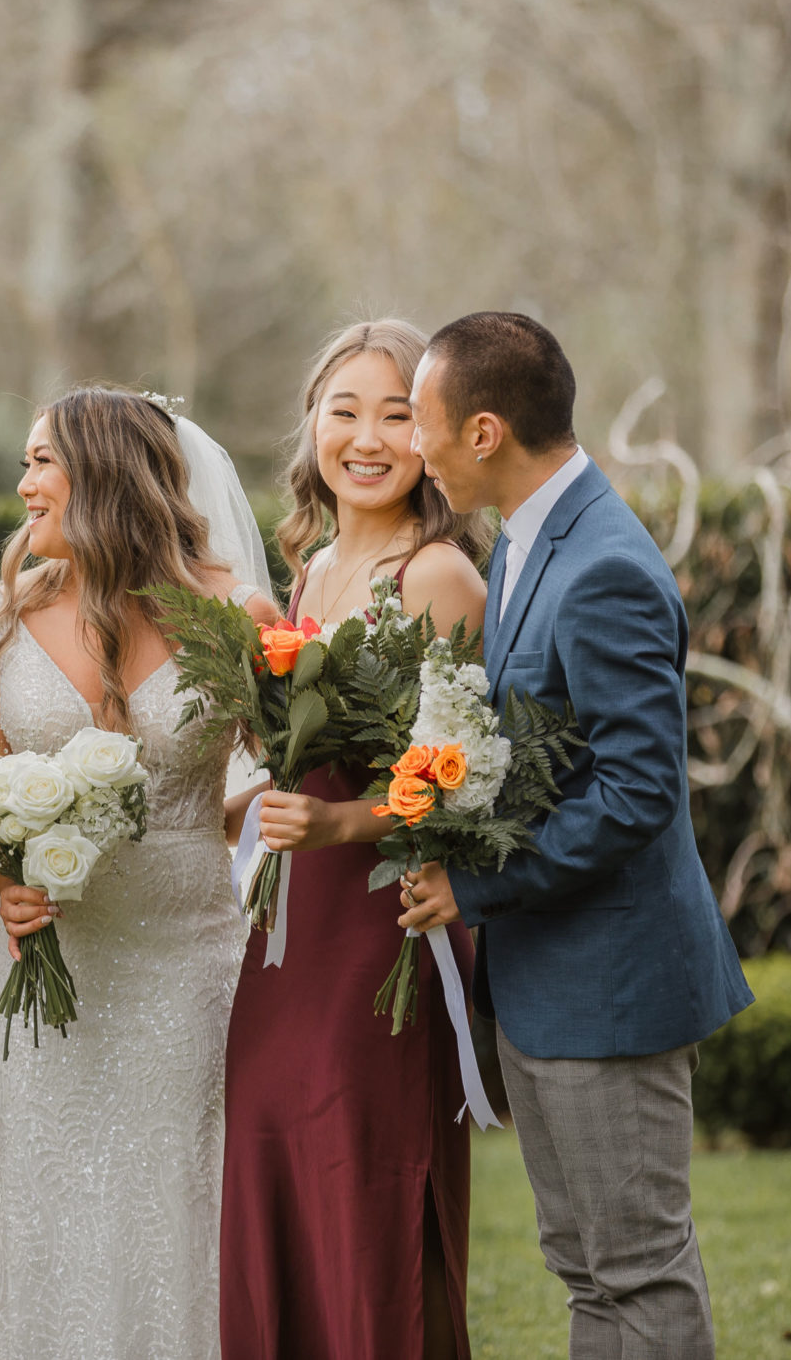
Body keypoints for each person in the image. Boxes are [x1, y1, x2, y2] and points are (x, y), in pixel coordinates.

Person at [397, 311, 754, 1360]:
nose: (412, 445)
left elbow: (635, 793)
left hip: (610, 989)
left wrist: (477, 889)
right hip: (551, 985)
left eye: (420, 421)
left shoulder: (602, 565)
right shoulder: (522, 541)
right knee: (585, 1272)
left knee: (634, 1271)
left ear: (483, 431)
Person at [0, 387, 280, 1360]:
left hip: (184, 957)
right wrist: (3, 872)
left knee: (171, 1194)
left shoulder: (236, 613)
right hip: (42, 954)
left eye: (40, 463)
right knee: (45, 1190)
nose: (21, 486)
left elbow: (298, 766)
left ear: (101, 472)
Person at [220, 320, 490, 1360]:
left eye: (396, 415)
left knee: (367, 1191)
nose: (366, 437)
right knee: (271, 1167)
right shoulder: (308, 572)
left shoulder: (437, 579)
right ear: (311, 426)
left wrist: (337, 821)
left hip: (383, 932)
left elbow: (466, 775)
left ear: (431, 437)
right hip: (284, 936)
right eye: (344, 411)